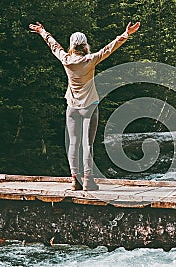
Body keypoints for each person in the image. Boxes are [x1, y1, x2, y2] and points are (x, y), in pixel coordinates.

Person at [29, 21, 140, 191]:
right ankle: (88, 180)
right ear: (85, 44)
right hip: (90, 106)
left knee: (74, 143)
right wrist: (126, 34)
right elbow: (109, 49)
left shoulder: (66, 59)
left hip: (72, 107)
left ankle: (75, 180)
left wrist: (43, 31)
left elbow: (54, 46)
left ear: (72, 45)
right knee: (87, 144)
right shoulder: (90, 59)